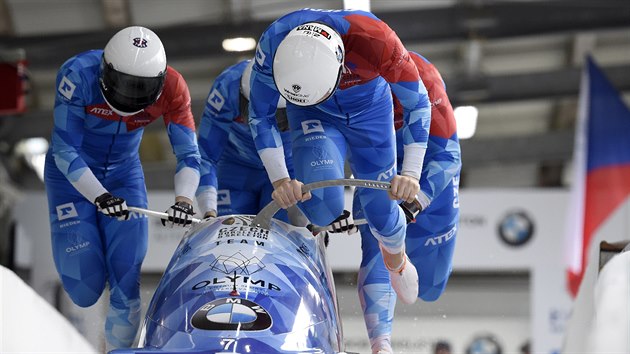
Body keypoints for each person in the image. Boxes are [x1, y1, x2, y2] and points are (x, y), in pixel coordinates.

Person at [248, 9, 432, 305]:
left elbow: (418, 103)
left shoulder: (376, 39)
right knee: (322, 207)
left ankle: (396, 259)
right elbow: (260, 114)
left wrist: (411, 174)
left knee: (382, 214)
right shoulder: (273, 44)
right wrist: (281, 179)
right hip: (312, 114)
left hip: (370, 112)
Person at [44, 26, 200, 349]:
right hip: (71, 178)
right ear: (105, 71)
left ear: (159, 83)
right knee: (84, 287)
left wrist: (184, 200)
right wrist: (98, 195)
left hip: (123, 175)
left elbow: (189, 154)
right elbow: (64, 150)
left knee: (126, 280)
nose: (129, 95)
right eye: (123, 84)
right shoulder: (76, 75)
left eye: (141, 89)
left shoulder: (174, 88)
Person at [352, 51, 461, 353]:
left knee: (429, 288)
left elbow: (448, 156)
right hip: (380, 169)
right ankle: (381, 344)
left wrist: (415, 203)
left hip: (428, 169)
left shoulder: (425, 79)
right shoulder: (347, 81)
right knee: (378, 242)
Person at [196, 59, 298, 222]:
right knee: (228, 229)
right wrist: (209, 210)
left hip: (288, 169)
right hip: (235, 168)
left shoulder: (308, 90)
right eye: (254, 111)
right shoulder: (227, 86)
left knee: (285, 227)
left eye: (277, 118)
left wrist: (318, 214)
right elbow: (206, 154)